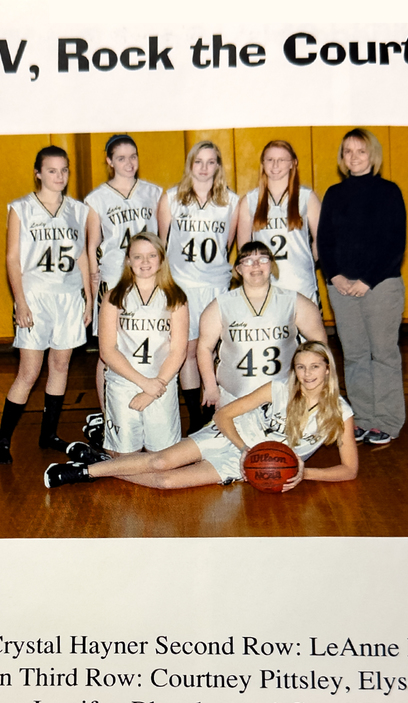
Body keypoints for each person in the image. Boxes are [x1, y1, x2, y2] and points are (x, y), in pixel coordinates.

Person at [44, 341, 358, 489]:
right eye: (301, 367)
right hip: (231, 436)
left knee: (166, 482)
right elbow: (224, 415)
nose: (307, 374)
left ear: (328, 368)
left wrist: (303, 473)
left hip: (246, 463)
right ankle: (83, 472)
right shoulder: (277, 389)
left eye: (315, 366)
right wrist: (244, 446)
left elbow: (349, 470)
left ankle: (96, 459)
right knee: (159, 461)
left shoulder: (341, 412)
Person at [0, 145, 91, 464]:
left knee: (60, 366)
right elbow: (12, 258)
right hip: (35, 296)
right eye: (52, 170)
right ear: (38, 173)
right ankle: (3, 440)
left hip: (68, 296)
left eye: (64, 170)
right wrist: (19, 301)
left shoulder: (78, 210)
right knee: (29, 372)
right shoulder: (21, 208)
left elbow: (82, 256)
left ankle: (48, 433)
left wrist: (88, 299)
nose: (59, 176)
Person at [317, 128, 407, 446]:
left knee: (382, 355)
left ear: (373, 155)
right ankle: (364, 418)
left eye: (360, 151)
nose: (353, 157)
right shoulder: (334, 194)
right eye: (347, 152)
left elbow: (395, 243)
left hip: (380, 286)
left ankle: (388, 421)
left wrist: (367, 280)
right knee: (354, 355)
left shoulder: (389, 191)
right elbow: (324, 242)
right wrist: (336, 276)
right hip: (341, 288)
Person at [84, 134, 162, 443]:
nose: (128, 163)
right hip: (115, 282)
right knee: (108, 353)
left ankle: (150, 412)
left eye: (133, 156)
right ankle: (107, 419)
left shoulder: (155, 193)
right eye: (121, 158)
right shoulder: (96, 199)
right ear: (109, 161)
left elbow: (164, 239)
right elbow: (91, 248)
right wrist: (93, 289)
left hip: (148, 282)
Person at [157, 141, 239, 432]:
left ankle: (218, 409)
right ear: (190, 165)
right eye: (199, 162)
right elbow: (161, 246)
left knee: (219, 350)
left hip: (216, 286)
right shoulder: (171, 199)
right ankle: (196, 419)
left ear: (218, 166)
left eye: (211, 162)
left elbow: (228, 246)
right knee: (188, 351)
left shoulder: (232, 202)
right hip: (184, 286)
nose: (204, 168)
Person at [196, 241, 327, 414]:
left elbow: (320, 344)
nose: (256, 265)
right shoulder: (220, 306)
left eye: (263, 259)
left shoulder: (296, 302)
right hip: (234, 399)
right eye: (248, 260)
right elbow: (204, 348)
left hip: (285, 397)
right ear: (238, 269)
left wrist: (314, 384)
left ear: (271, 265)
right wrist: (211, 388)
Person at [90, 231, 189, 457]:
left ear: (162, 259)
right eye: (137, 257)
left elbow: (178, 350)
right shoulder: (113, 297)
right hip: (124, 382)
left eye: (151, 256)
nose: (145, 262)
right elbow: (107, 351)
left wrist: (155, 386)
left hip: (161, 383)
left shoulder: (175, 298)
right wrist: (144, 383)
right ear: (128, 261)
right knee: (124, 458)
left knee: (163, 459)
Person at [237, 140, 320, 302]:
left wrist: (305, 262)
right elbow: (244, 248)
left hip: (301, 283)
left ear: (293, 163)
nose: (275, 164)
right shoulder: (250, 200)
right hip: (265, 285)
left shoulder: (307, 197)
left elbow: (321, 241)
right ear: (263, 163)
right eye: (270, 159)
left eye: (281, 159)